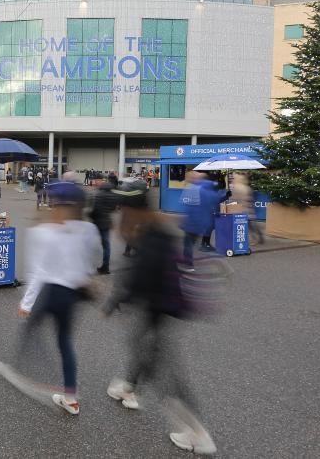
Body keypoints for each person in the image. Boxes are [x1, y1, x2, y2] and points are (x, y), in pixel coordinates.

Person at [103, 195, 217, 455]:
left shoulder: (151, 237)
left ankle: (198, 435)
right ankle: (129, 387)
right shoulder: (156, 229)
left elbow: (141, 278)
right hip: (161, 307)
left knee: (164, 371)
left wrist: (115, 301)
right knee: (143, 347)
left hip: (160, 306)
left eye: (124, 209)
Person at [0, 182, 102, 415]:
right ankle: (70, 396)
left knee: (31, 331)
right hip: (73, 294)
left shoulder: (43, 232)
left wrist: (26, 302)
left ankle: (26, 373)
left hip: (51, 291)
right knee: (64, 340)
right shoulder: (88, 229)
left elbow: (38, 272)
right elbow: (95, 260)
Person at [179, 172, 228, 270]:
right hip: (204, 222)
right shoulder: (209, 189)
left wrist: (184, 221)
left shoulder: (193, 188)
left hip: (192, 222)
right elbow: (216, 200)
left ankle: (188, 265)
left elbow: (188, 206)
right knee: (191, 243)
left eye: (190, 177)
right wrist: (226, 196)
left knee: (188, 244)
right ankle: (188, 261)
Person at [89, 179, 119, 273]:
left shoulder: (99, 195)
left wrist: (90, 216)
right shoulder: (113, 195)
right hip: (107, 222)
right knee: (106, 245)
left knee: (89, 242)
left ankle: (85, 264)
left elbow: (95, 209)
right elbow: (114, 209)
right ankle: (105, 267)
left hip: (97, 221)